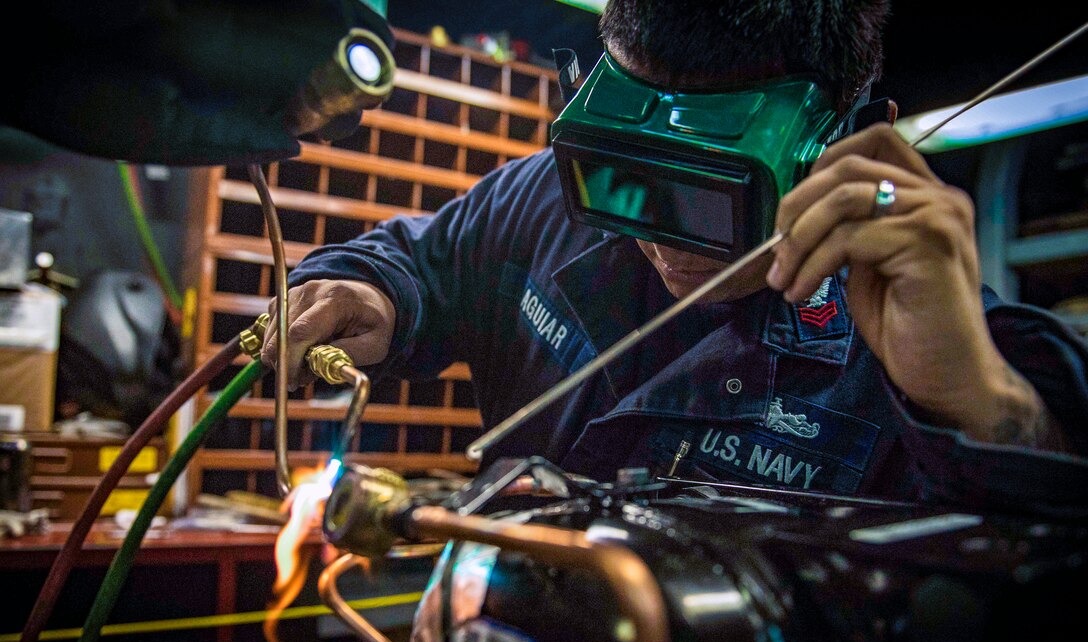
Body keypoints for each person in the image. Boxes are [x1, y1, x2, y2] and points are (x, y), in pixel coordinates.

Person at [262, 0, 1088, 515]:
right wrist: (370, 291)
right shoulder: (543, 199)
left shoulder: (925, 325)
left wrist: (979, 403)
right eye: (623, 175)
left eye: (705, 199)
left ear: (835, 150)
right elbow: (421, 262)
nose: (657, 235)